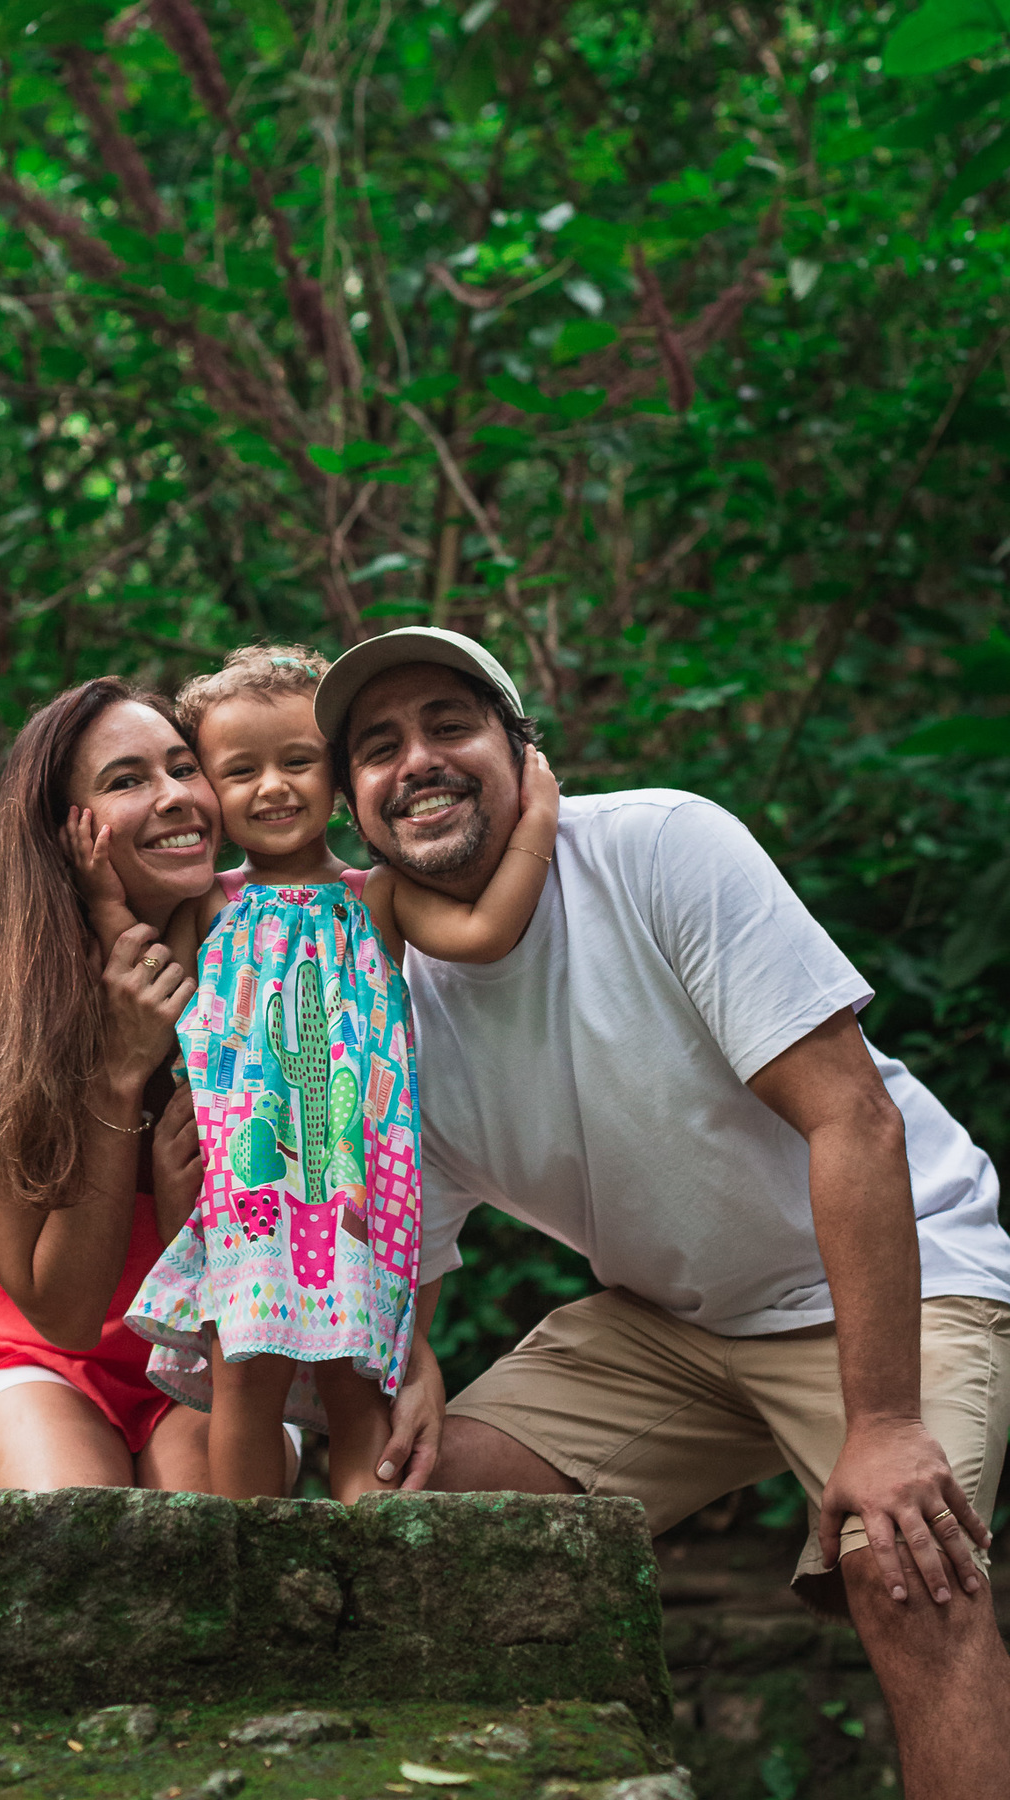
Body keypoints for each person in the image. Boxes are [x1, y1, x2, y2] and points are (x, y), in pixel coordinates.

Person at [315, 626, 1010, 1800]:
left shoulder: (658, 849)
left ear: (522, 751)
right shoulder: (384, 1003)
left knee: (905, 1566)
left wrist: (885, 1421)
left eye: (449, 725)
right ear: (352, 808)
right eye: (378, 748)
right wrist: (404, 1361)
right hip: (674, 1324)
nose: (417, 760)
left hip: (904, 1277)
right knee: (419, 1520)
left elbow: (855, 1122)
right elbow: (399, 1257)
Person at [69, 644, 559, 1502]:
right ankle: (251, 1557)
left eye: (297, 762)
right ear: (211, 790)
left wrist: (539, 821)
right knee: (243, 1380)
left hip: (354, 1187)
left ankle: (365, 1560)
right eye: (240, 771)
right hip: (246, 1190)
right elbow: (142, 974)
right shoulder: (210, 904)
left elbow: (483, 932)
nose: (272, 787)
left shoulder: (379, 896)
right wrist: (104, 892)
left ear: (336, 777)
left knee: (357, 1387)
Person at [0, 676, 299, 1492]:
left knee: (201, 1535)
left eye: (184, 768)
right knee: (71, 1517)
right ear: (62, 833)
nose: (176, 796)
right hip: (34, 1355)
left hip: (225, 1344)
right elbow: (64, 1312)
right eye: (127, 780)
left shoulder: (277, 969)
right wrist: (119, 1075)